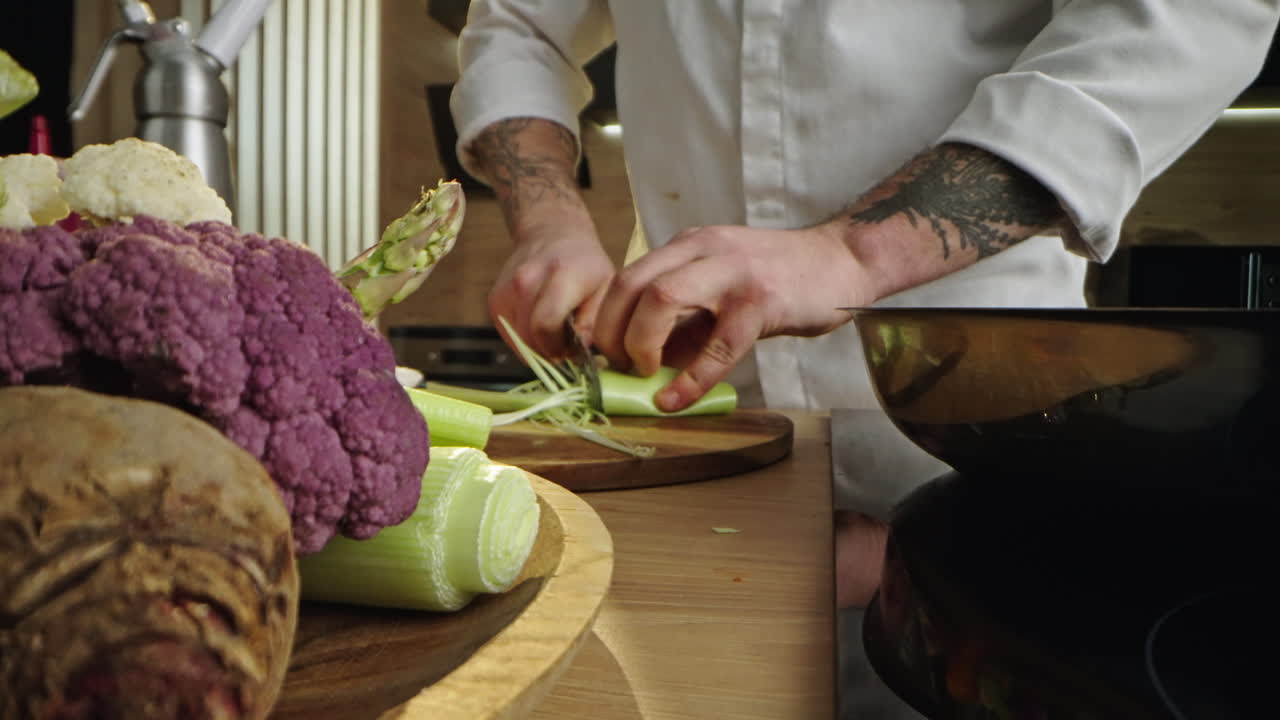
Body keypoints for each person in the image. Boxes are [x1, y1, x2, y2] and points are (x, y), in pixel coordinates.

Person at [448, 0, 1277, 652]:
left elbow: (1187, 14)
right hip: (703, 450)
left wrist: (855, 254)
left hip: (978, 447)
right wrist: (549, 217)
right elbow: (517, 22)